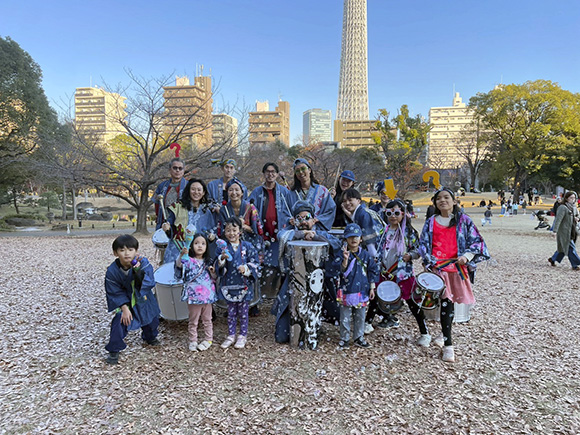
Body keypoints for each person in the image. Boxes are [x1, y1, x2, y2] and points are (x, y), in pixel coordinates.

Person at [419, 188, 490, 363]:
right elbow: (424, 244)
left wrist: (467, 256)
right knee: (444, 303)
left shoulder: (464, 220)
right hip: (439, 269)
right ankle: (447, 342)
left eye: (446, 197)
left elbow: (477, 242)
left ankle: (446, 341)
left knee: (448, 304)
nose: (442, 201)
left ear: (454, 201)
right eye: (439, 198)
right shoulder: (430, 222)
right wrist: (429, 261)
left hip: (456, 269)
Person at [273, 201, 342, 343]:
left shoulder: (320, 232)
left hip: (318, 284)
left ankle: (316, 323)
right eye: (300, 218)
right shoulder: (290, 233)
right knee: (281, 337)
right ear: (294, 220)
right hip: (293, 284)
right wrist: (302, 234)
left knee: (328, 315)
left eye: (307, 217)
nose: (304, 222)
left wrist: (316, 237)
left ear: (314, 219)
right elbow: (280, 235)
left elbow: (336, 244)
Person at [375, 199, 429, 345]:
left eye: (397, 213)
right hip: (384, 272)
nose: (393, 216)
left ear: (403, 214)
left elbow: (419, 250)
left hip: (402, 273)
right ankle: (367, 323)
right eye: (389, 213)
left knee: (412, 302)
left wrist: (410, 255)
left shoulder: (409, 232)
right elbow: (378, 248)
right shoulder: (383, 231)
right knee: (376, 297)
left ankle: (424, 332)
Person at [104, 235, 161, 365]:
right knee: (120, 320)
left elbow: (149, 282)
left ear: (136, 251)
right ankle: (114, 349)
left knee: (151, 318)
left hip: (143, 297)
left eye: (130, 250)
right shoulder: (112, 271)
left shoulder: (143, 263)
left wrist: (138, 271)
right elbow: (114, 291)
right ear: (115, 253)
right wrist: (124, 308)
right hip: (126, 301)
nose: (126, 253)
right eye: (122, 250)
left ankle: (149, 337)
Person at [249, 163, 293, 297]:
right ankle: (258, 297)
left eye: (273, 171)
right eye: (267, 171)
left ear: (277, 174)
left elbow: (291, 211)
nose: (270, 174)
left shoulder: (284, 192)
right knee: (260, 266)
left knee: (281, 267)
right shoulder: (257, 192)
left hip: (279, 236)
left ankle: (278, 296)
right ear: (263, 174)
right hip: (262, 237)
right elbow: (249, 210)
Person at [216, 217, 260, 349]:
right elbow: (217, 265)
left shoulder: (247, 246)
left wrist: (246, 268)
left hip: (243, 284)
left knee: (243, 313)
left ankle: (242, 335)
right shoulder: (222, 248)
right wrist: (221, 259)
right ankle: (231, 335)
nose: (231, 233)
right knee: (231, 313)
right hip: (229, 284)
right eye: (228, 230)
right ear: (224, 232)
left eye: (234, 230)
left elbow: (256, 263)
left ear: (240, 231)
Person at [338, 223, 379, 349]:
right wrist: (345, 260)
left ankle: (358, 337)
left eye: (356, 236)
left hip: (362, 289)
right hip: (346, 289)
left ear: (361, 239)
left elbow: (373, 270)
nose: (353, 239)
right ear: (346, 239)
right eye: (350, 237)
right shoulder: (341, 254)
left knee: (360, 316)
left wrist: (372, 287)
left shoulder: (365, 255)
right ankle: (344, 338)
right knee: (345, 317)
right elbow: (339, 271)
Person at [175, 234, 217, 352]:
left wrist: (213, 272)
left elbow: (214, 277)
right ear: (191, 245)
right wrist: (182, 255)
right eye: (196, 243)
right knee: (193, 320)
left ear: (207, 246)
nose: (200, 246)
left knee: (207, 319)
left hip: (207, 296)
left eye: (203, 243)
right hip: (193, 296)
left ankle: (208, 339)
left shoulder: (209, 261)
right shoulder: (188, 260)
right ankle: (193, 340)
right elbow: (179, 265)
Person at [162, 178, 217, 263]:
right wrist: (167, 229)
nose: (196, 192)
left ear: (203, 192)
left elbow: (211, 231)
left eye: (199, 190)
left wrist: (211, 236)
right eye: (193, 189)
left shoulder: (206, 211)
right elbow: (170, 228)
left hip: (198, 251)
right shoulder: (177, 207)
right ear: (188, 191)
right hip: (178, 249)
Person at [153, 158, 188, 259]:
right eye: (175, 168)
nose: (177, 170)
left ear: (184, 170)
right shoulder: (162, 186)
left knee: (183, 257)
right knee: (165, 258)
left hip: (182, 227)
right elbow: (157, 205)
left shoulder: (189, 186)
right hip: (165, 225)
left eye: (180, 168)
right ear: (170, 169)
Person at [288, 158, 336, 231]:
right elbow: (285, 212)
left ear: (309, 170)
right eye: (297, 171)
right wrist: (290, 220)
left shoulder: (322, 191)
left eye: (303, 168)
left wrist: (317, 219)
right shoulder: (291, 194)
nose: (301, 172)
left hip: (317, 231)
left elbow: (330, 210)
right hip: (297, 232)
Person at [218, 178, 263, 249]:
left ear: (242, 192)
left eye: (237, 190)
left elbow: (257, 230)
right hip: (230, 245)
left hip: (249, 244)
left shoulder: (250, 207)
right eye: (231, 190)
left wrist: (243, 226)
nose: (234, 193)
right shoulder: (224, 209)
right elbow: (222, 232)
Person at [341, 188, 381, 258]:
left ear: (358, 200)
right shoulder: (360, 212)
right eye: (344, 201)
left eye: (350, 200)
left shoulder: (364, 214)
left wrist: (373, 256)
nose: (347, 203)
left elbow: (370, 240)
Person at [548, 191, 580, 270]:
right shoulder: (562, 207)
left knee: (563, 247)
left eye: (574, 198)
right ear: (566, 198)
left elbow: (577, 215)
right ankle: (575, 264)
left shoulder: (574, 207)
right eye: (571, 198)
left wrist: (576, 218)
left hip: (572, 230)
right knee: (571, 248)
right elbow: (558, 220)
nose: (572, 199)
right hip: (564, 232)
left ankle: (553, 259)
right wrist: (554, 231)